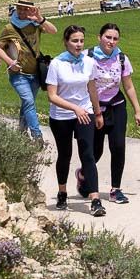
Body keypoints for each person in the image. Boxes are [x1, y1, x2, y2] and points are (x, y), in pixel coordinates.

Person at [45, 25, 105, 217]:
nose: (78, 45)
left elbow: (92, 89)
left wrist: (97, 113)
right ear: (66, 42)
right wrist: (74, 108)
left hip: (85, 112)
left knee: (87, 154)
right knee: (65, 155)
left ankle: (95, 199)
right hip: (62, 116)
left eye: (81, 41)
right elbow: (52, 96)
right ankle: (62, 192)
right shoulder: (56, 63)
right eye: (74, 41)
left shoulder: (89, 62)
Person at [89, 23, 140, 205]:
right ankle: (84, 173)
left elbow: (128, 86)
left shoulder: (121, 59)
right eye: (108, 37)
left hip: (116, 106)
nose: (111, 42)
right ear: (99, 37)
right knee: (95, 151)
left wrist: (138, 110)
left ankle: (115, 189)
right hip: (93, 108)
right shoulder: (88, 58)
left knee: (118, 146)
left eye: (115, 38)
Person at [0, 0, 57, 142]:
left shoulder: (36, 24)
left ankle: (21, 133)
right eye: (19, 9)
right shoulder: (10, 27)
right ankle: (37, 136)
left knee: (27, 104)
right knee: (29, 102)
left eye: (25, 9)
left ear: (31, 9)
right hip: (18, 74)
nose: (22, 12)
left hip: (35, 73)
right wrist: (10, 62)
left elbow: (53, 30)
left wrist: (40, 18)